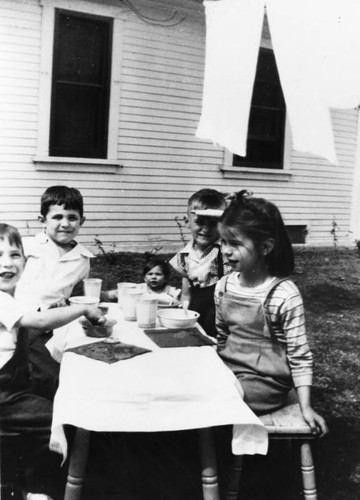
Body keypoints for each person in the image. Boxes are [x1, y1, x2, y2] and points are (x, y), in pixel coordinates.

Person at [0, 223, 104, 500]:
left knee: (54, 396)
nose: (7, 264)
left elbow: (43, 312)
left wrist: (63, 308)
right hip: (3, 396)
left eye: (14, 255)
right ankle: (35, 487)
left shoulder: (15, 294)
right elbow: (41, 320)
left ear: (25, 259)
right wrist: (82, 308)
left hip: (14, 387)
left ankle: (23, 478)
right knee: (60, 417)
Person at [215, 191, 327, 433]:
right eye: (223, 241)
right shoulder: (224, 286)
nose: (225, 250)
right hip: (228, 369)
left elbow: (299, 356)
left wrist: (305, 406)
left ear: (265, 247)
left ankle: (212, 450)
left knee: (211, 397)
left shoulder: (283, 294)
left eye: (235, 243)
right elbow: (222, 336)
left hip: (264, 383)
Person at [15, 185, 96, 399]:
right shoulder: (27, 247)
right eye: (57, 217)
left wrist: (66, 304)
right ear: (43, 220)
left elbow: (75, 295)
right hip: (18, 322)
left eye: (72, 217)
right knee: (27, 375)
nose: (65, 224)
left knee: (61, 375)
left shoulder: (83, 259)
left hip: (52, 327)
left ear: (82, 221)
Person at [170, 188, 231, 337]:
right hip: (195, 314)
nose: (206, 229)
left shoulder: (227, 252)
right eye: (200, 222)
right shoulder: (184, 257)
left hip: (222, 315)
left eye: (213, 223)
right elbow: (186, 294)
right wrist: (184, 316)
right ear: (187, 222)